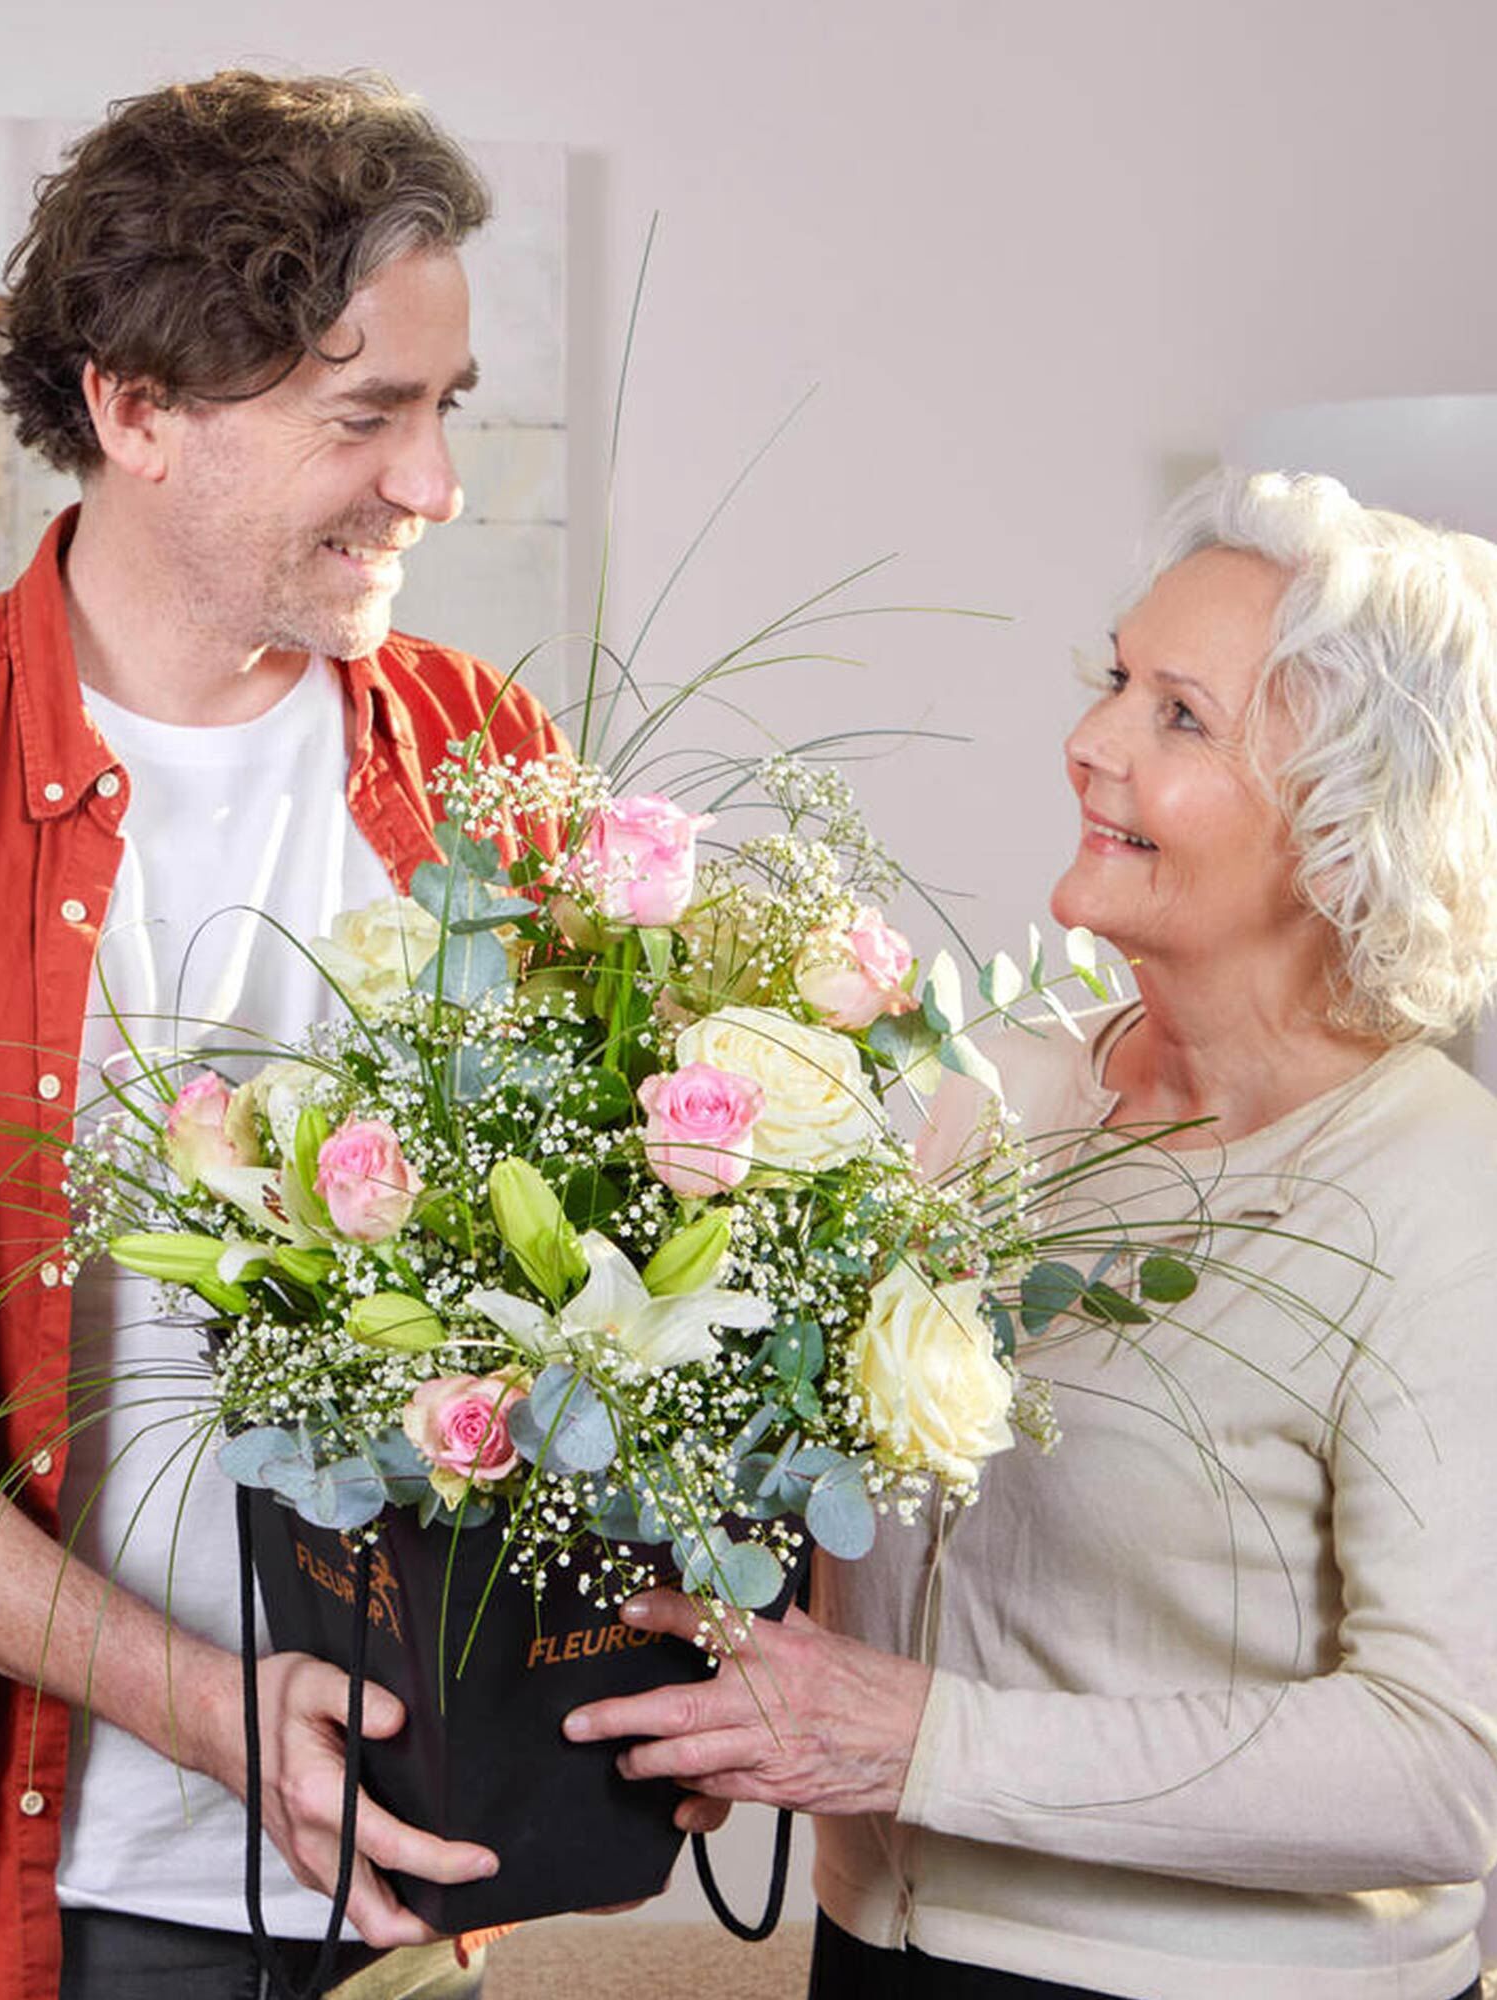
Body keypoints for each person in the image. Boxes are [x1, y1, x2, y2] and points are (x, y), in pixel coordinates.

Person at [565, 469, 1497, 2000]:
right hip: (879, 1958)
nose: (1090, 740)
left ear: (1347, 818)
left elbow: (1439, 1770)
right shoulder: (999, 1096)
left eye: (1179, 717)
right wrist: (739, 1689)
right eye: (1114, 680)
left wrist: (919, 1739)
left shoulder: (1438, 1196)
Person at [0, 71, 567, 2000]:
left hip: (416, 1883)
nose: (432, 486)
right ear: (137, 407)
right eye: (365, 414)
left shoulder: (490, 765)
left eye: (443, 411)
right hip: (61, 1881)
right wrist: (208, 1711)